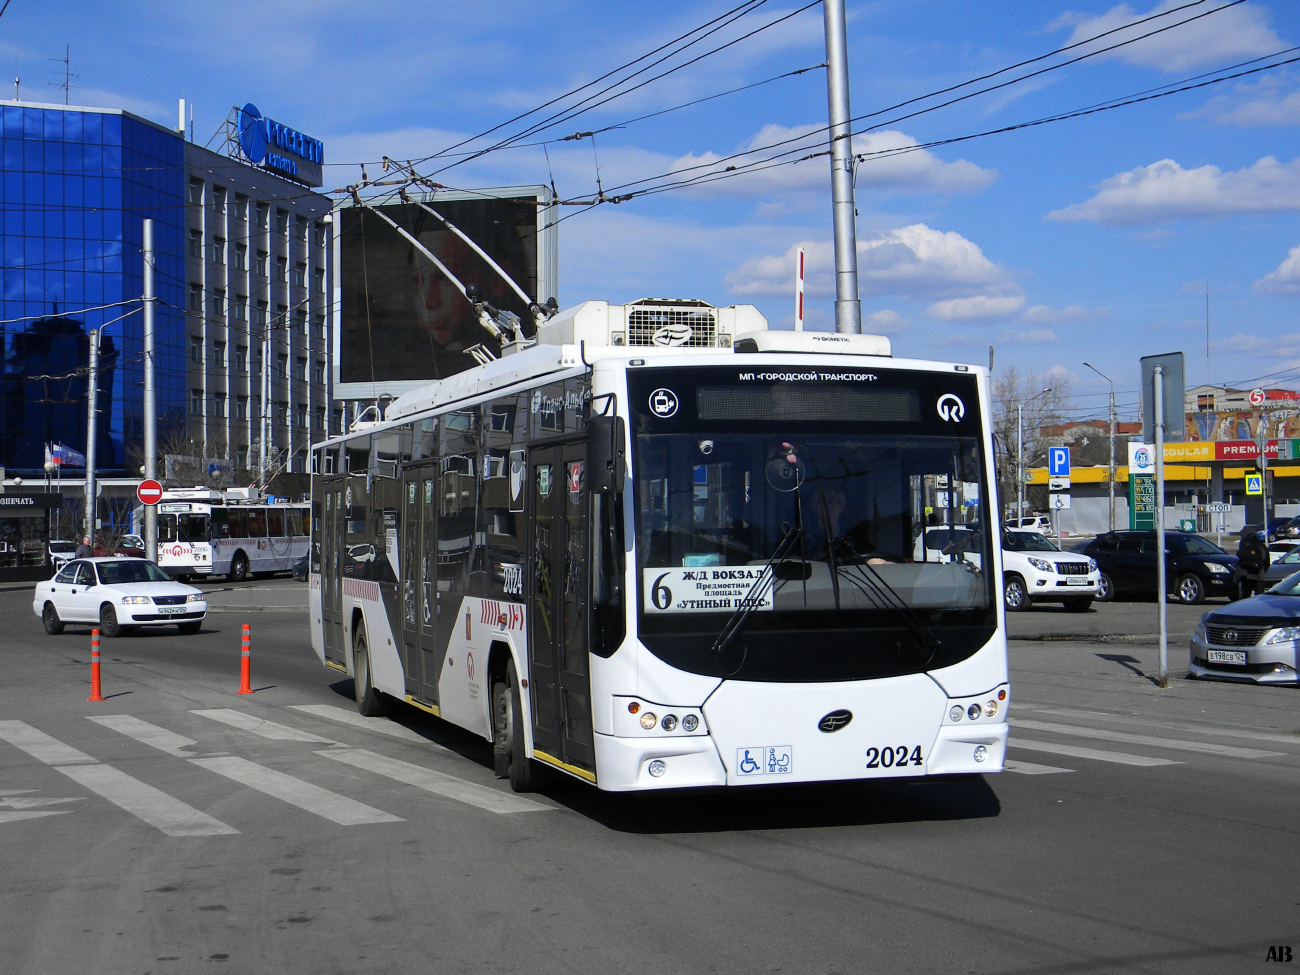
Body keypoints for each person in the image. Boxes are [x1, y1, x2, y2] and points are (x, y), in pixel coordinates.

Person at [1235, 528, 1269, 598]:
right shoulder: (1261, 546)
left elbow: (1239, 554)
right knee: (1259, 597)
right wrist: (1262, 569)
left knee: (1245, 596)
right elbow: (1267, 562)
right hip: (1259, 574)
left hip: (1246, 574)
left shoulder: (1244, 543)